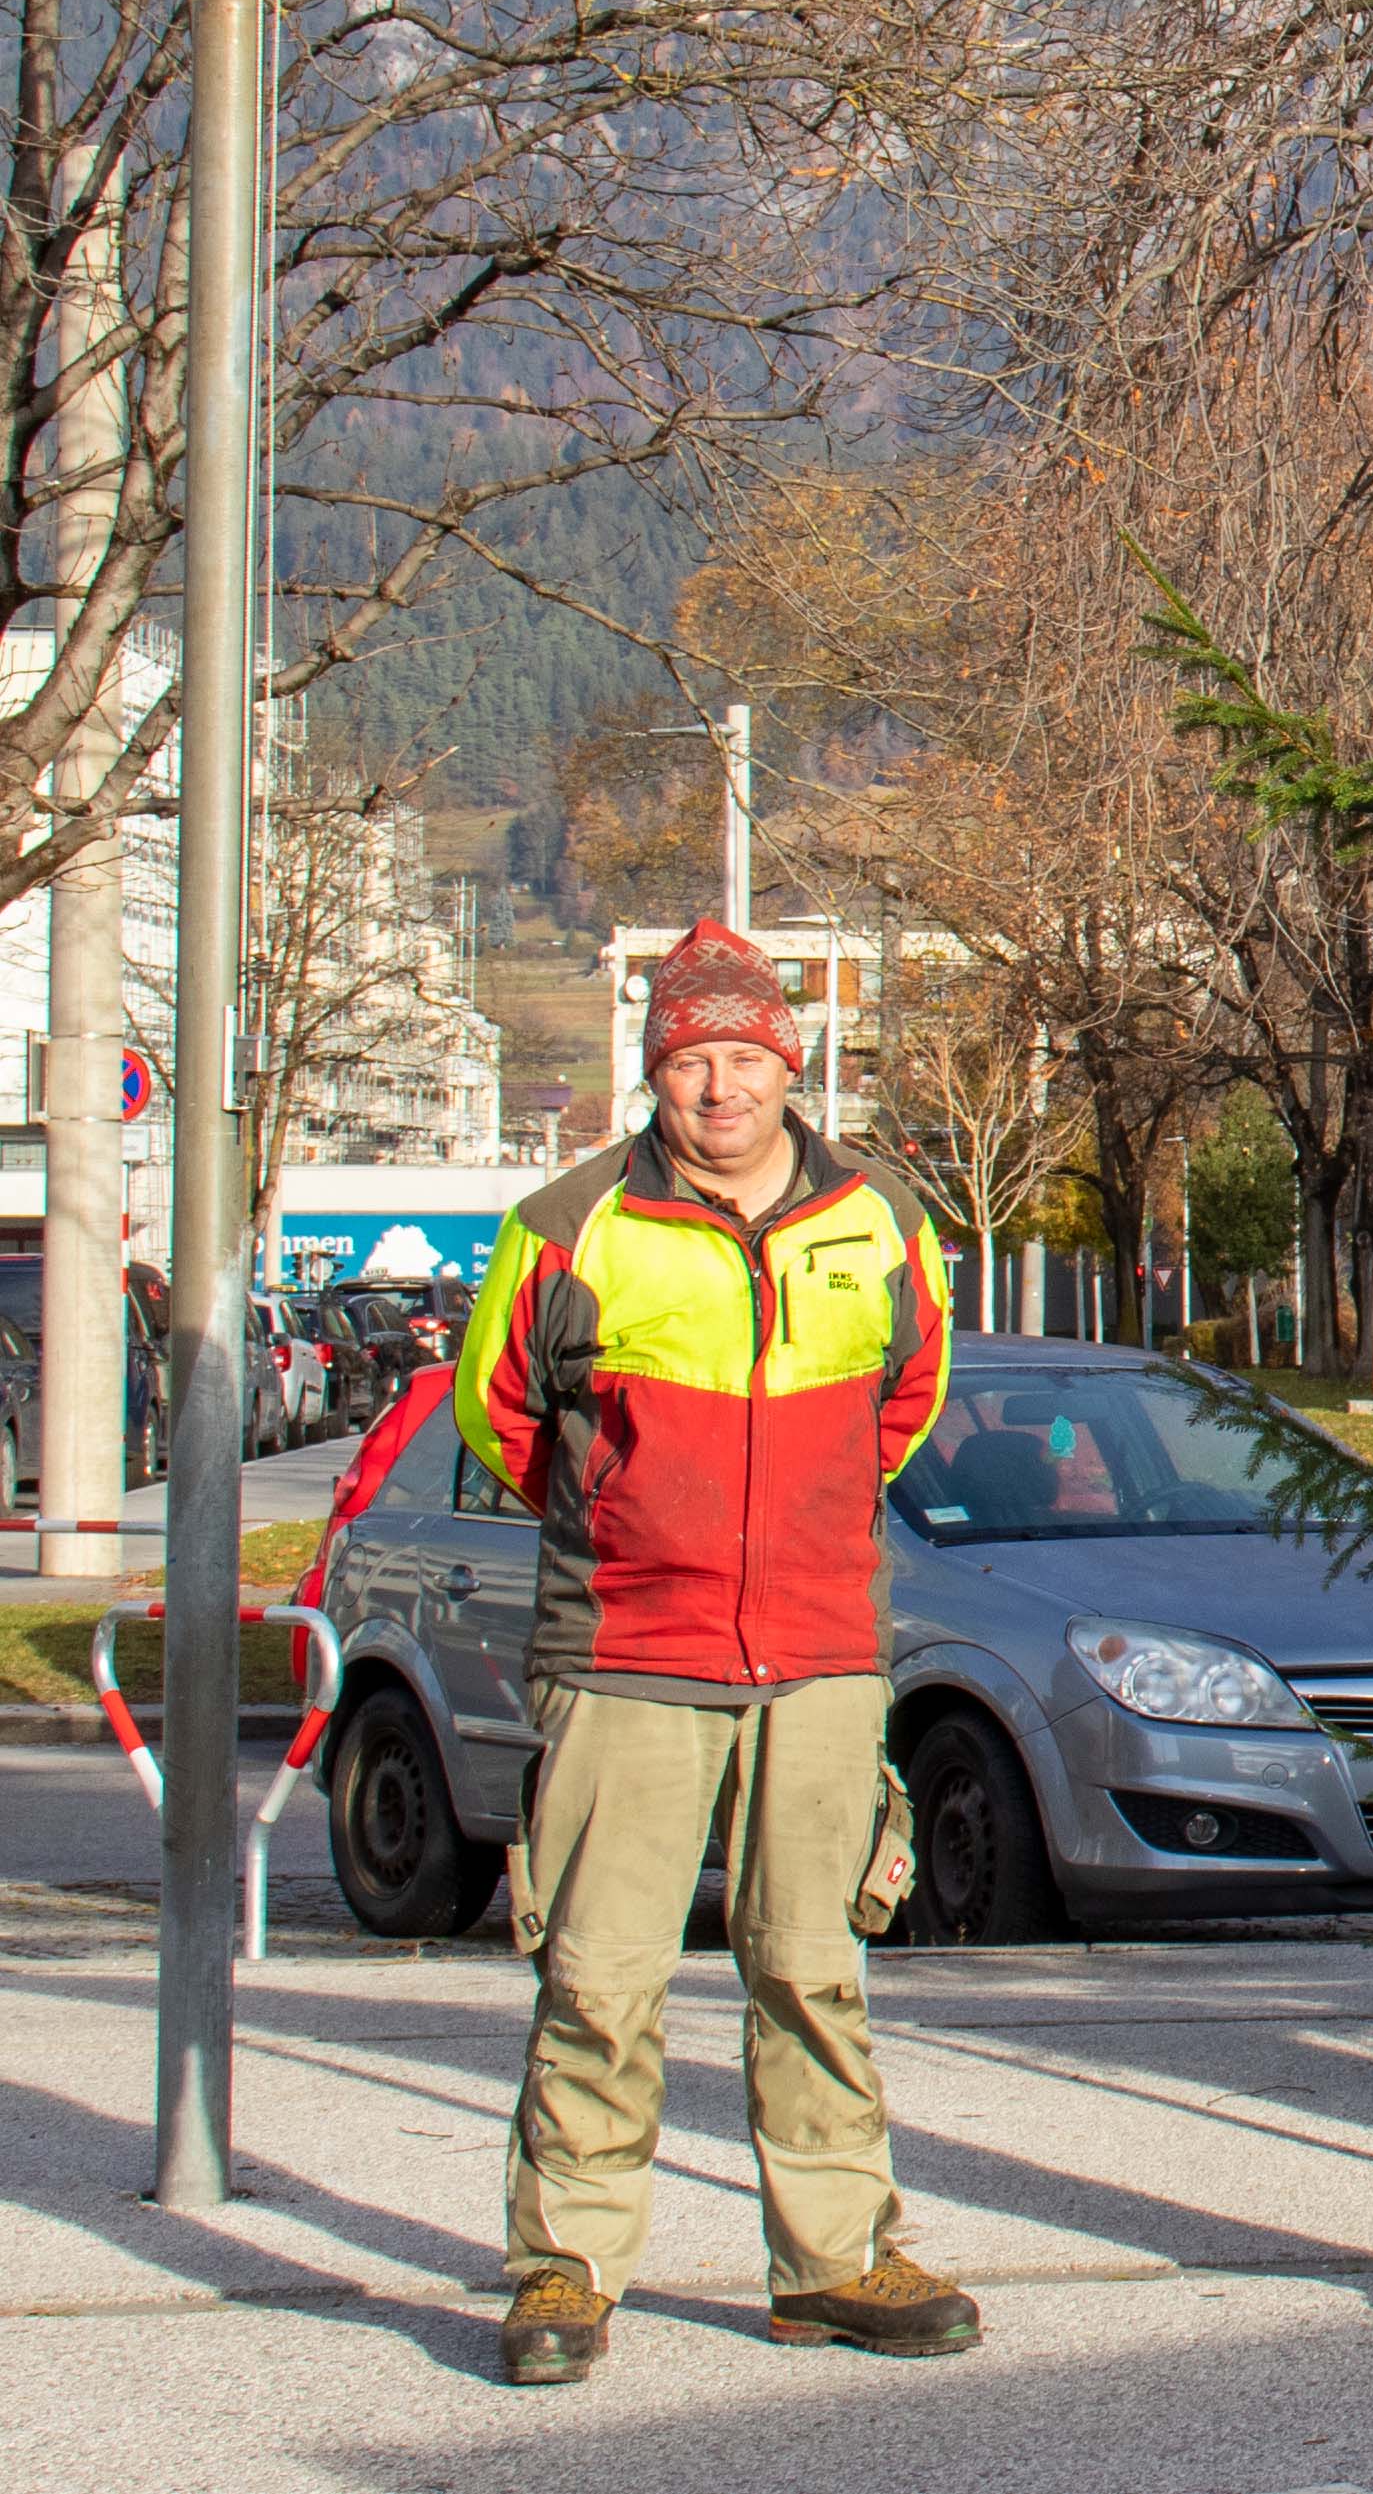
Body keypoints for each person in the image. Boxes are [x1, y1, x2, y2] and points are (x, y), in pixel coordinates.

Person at [451, 918, 971, 2387]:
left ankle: (834, 2261)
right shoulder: (567, 1225)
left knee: (813, 1971)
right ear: (655, 1074)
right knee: (599, 1979)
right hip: (628, 1647)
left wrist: (801, 1530)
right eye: (692, 1062)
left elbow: (909, 1396)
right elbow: (496, 1415)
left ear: (789, 1068)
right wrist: (627, 1523)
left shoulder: (881, 1216)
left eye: (747, 1058)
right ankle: (565, 2267)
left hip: (817, 1649)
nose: (721, 1087)